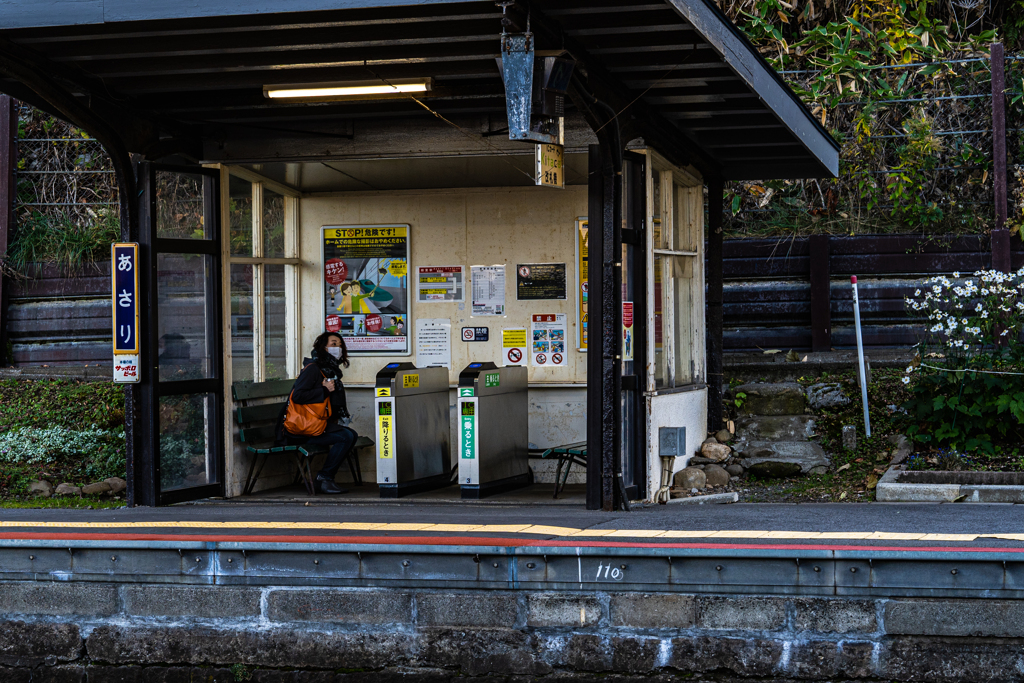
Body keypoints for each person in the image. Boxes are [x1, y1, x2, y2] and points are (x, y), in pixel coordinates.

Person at [278, 331, 357, 494]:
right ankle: (324, 478)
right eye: (334, 344)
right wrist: (323, 390)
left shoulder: (330, 371)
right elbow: (298, 395)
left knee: (351, 435)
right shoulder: (313, 369)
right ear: (323, 347)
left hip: (315, 423)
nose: (338, 348)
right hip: (300, 428)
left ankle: (325, 478)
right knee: (346, 436)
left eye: (340, 345)